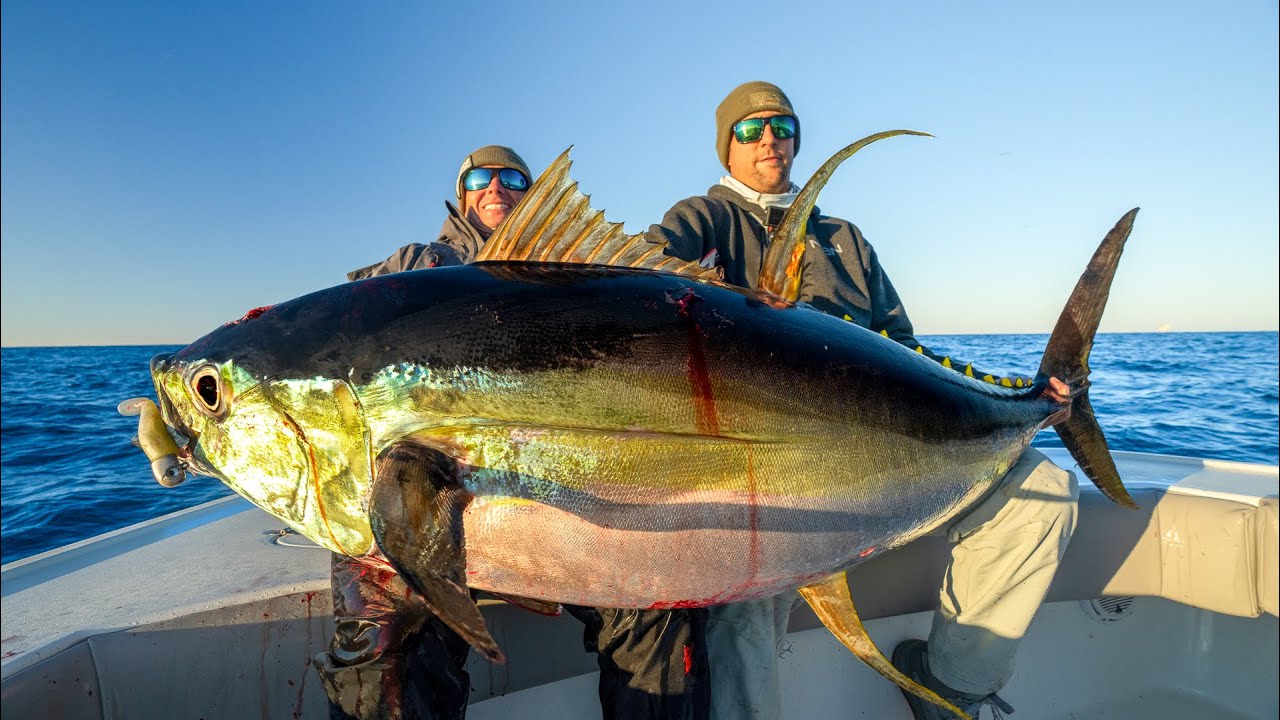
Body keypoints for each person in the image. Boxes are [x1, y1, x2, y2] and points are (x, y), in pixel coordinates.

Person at [644, 81, 1077, 720]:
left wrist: (1029, 400)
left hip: (887, 460)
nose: (768, 139)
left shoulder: (846, 239)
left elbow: (904, 350)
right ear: (725, 146)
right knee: (745, 592)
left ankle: (952, 684)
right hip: (766, 478)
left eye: (782, 127)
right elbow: (637, 283)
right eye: (749, 129)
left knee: (1043, 496)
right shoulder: (701, 221)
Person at [324, 144, 711, 720]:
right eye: (480, 177)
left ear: (533, 196)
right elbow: (338, 327)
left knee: (658, 612)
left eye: (513, 178)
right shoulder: (419, 261)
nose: (496, 187)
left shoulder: (573, 275)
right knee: (385, 644)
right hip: (429, 501)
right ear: (462, 195)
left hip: (556, 496)